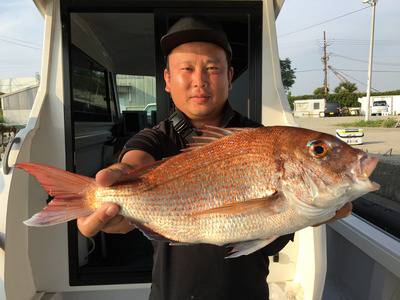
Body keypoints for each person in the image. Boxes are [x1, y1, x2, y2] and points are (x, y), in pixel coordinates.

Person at [77, 15, 353, 300]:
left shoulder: (261, 139)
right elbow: (135, 163)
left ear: (230, 77)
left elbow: (271, 238)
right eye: (187, 69)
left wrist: (312, 212)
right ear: (168, 81)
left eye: (212, 68)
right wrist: (118, 187)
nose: (200, 81)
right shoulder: (156, 138)